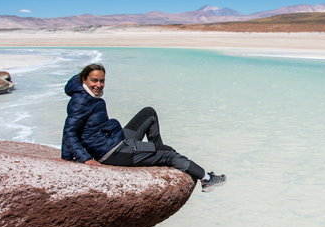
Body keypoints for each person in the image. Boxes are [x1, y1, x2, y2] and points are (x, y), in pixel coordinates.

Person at [61, 63, 226, 191]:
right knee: (169, 155)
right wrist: (84, 159)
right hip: (112, 152)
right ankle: (206, 179)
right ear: (84, 80)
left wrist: (67, 157)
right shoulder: (81, 101)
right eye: (94, 80)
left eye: (102, 80)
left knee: (149, 113)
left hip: (113, 138)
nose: (98, 85)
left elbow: (72, 128)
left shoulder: (85, 94)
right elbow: (69, 132)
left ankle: (156, 149)